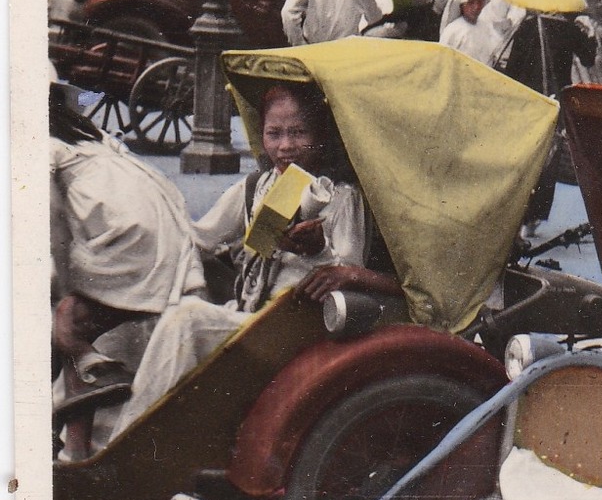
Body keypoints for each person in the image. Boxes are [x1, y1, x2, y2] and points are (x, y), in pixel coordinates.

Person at [114, 84, 402, 436]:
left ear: (320, 135)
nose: (285, 147)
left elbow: (347, 271)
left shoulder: (341, 196)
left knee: (186, 321)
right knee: (161, 314)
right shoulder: (256, 187)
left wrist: (319, 250)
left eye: (298, 133)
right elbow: (196, 238)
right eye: (274, 134)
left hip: (299, 329)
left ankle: (129, 439)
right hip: (251, 317)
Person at [50, 82, 208, 457]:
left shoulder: (37, 144)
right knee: (73, 323)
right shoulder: (88, 135)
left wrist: (60, 280)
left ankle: (76, 446)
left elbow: (53, 221)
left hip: (128, 235)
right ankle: (78, 446)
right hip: (159, 222)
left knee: (66, 318)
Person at [438, 0, 504, 66]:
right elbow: (442, 61)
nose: (476, 7)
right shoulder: (452, 30)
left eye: (480, 2)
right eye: (471, 2)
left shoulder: (486, 27)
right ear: (462, 3)